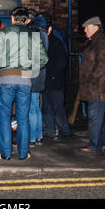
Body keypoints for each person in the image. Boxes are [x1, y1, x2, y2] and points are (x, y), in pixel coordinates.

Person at [0, 7, 48, 161]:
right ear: (27, 20)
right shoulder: (33, 35)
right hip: (25, 80)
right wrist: (28, 71)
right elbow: (43, 59)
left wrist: (3, 70)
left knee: (4, 117)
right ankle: (24, 154)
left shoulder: (3, 33)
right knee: (23, 117)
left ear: (12, 18)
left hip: (5, 79)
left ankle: (5, 154)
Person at [79, 16, 105, 153]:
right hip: (94, 87)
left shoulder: (101, 43)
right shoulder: (95, 42)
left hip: (97, 88)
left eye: (87, 27)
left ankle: (95, 145)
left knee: (94, 117)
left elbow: (102, 65)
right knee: (98, 115)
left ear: (95, 27)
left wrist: (90, 81)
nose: (85, 30)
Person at [41, 12, 70, 140]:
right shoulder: (42, 41)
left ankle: (64, 130)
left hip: (55, 81)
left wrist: (53, 75)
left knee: (58, 107)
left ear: (49, 29)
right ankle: (50, 130)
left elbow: (62, 61)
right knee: (47, 107)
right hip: (45, 80)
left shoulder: (56, 42)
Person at [27, 12, 49, 147]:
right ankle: (39, 135)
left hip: (33, 75)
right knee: (36, 107)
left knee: (31, 107)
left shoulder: (34, 33)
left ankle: (32, 138)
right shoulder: (44, 33)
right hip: (41, 75)